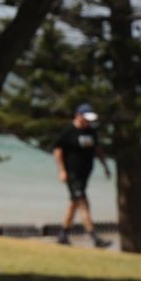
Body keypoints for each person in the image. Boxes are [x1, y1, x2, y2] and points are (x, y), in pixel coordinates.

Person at [53, 103, 112, 247]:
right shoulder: (69, 131)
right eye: (87, 118)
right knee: (83, 203)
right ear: (78, 116)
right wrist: (62, 171)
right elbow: (57, 151)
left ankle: (63, 235)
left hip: (85, 175)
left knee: (74, 204)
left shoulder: (91, 132)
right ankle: (95, 238)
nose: (89, 122)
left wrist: (105, 166)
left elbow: (98, 150)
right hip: (72, 174)